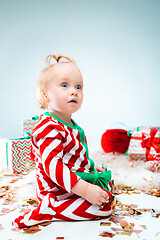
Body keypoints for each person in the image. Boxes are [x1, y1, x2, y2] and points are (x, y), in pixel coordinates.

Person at [13, 54, 115, 228]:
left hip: (71, 181)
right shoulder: (48, 127)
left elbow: (73, 155)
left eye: (78, 86)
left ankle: (79, 196)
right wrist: (85, 189)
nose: (73, 91)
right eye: (64, 85)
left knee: (108, 191)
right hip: (56, 189)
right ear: (45, 94)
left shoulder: (70, 124)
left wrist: (89, 167)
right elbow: (53, 166)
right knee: (104, 208)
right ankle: (50, 209)